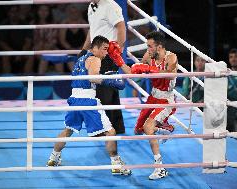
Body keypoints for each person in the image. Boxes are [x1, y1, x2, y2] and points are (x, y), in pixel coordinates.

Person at [47, 36, 131, 176]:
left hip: (74, 99)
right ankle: (116, 165)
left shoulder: (81, 58)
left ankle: (53, 158)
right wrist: (108, 81)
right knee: (111, 132)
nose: (106, 53)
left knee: (68, 130)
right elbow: (92, 77)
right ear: (96, 48)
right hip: (87, 100)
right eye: (104, 49)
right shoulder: (95, 59)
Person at [108, 31, 177, 180]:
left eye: (150, 46)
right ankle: (166, 127)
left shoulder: (171, 57)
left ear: (159, 47)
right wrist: (118, 60)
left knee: (148, 127)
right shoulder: (148, 56)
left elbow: (170, 74)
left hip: (166, 100)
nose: (148, 49)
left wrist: (152, 70)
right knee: (139, 129)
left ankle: (160, 167)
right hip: (153, 97)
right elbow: (132, 71)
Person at [79, 0, 126, 134]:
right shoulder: (91, 6)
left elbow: (121, 27)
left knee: (103, 92)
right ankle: (117, 127)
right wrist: (84, 49)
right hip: (98, 53)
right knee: (110, 90)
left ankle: (104, 129)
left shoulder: (110, 5)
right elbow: (92, 29)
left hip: (108, 54)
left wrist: (118, 50)